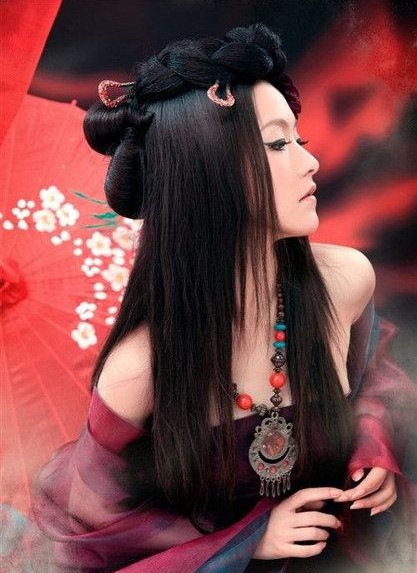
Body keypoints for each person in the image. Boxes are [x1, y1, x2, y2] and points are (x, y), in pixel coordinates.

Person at [29, 23, 417, 572]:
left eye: (299, 141)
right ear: (209, 174)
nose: (310, 162)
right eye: (278, 144)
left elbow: (372, 375)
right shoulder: (141, 369)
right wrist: (247, 539)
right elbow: (95, 536)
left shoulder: (345, 280)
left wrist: (372, 444)